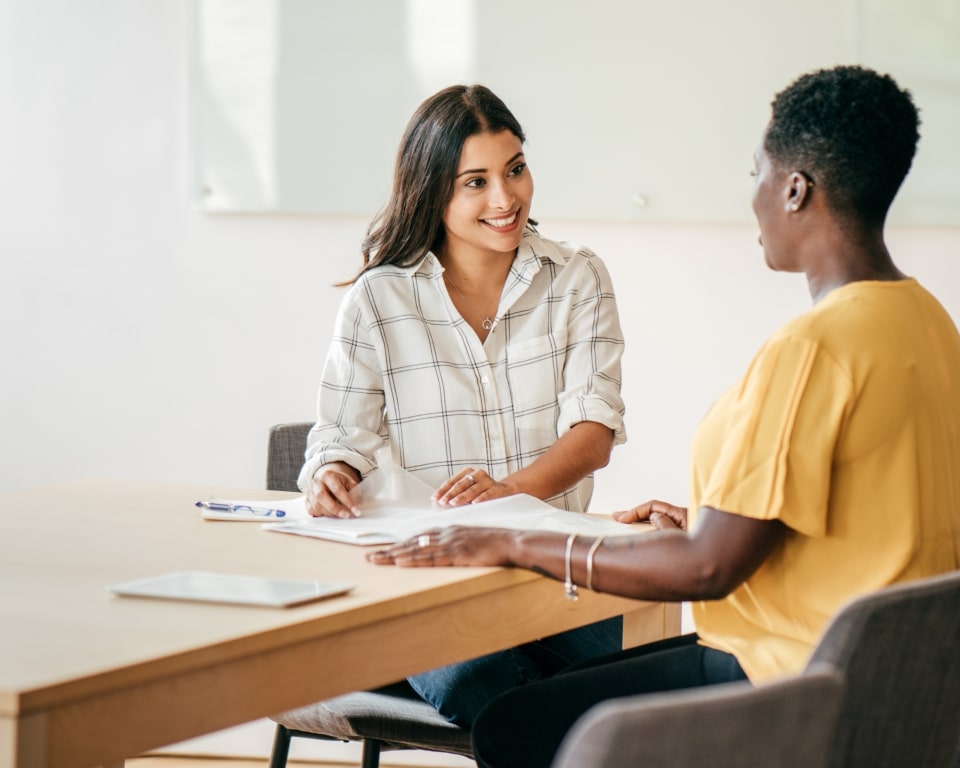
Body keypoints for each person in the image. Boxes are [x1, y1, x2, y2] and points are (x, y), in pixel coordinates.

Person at [367, 65, 960, 768]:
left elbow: (707, 570)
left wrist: (510, 543)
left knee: (510, 724)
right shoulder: (929, 324)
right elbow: (875, 518)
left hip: (787, 681)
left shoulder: (813, 351)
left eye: (758, 174)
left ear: (795, 188)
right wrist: (711, 519)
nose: (756, 197)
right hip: (895, 689)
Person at [299, 84, 628, 726]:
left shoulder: (577, 278)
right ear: (433, 192)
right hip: (428, 592)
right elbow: (339, 437)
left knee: (641, 676)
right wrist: (331, 475)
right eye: (474, 182)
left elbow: (592, 435)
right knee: (497, 690)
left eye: (514, 169)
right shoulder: (378, 299)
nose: (505, 199)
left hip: (555, 582)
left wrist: (502, 498)